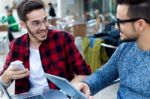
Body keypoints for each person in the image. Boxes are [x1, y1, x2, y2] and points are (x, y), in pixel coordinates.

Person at [0, 0, 91, 95]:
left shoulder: (63, 39)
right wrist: (5, 77)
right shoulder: (17, 45)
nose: (43, 27)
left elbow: (84, 73)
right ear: (23, 24)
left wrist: (63, 94)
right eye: (36, 23)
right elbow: (3, 82)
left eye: (45, 20)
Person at [73, 0, 150, 98]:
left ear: (140, 24)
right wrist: (87, 85)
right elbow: (103, 75)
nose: (115, 27)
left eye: (119, 22)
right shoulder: (124, 49)